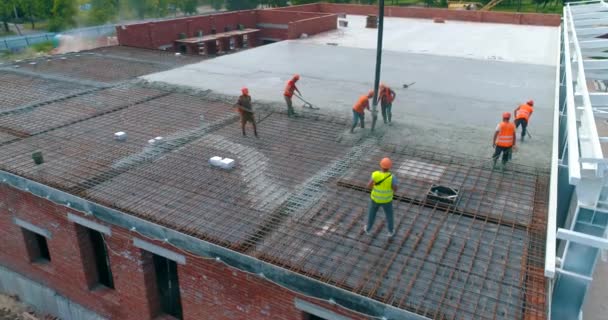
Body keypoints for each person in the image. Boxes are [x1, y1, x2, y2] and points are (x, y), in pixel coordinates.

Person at [364, 157, 398, 237]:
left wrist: (375, 186)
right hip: (387, 201)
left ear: (380, 165)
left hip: (375, 199)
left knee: (371, 214)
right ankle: (390, 231)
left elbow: (369, 186)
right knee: (389, 216)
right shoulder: (392, 177)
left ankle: (368, 229)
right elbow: (395, 189)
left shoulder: (375, 174)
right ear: (390, 167)